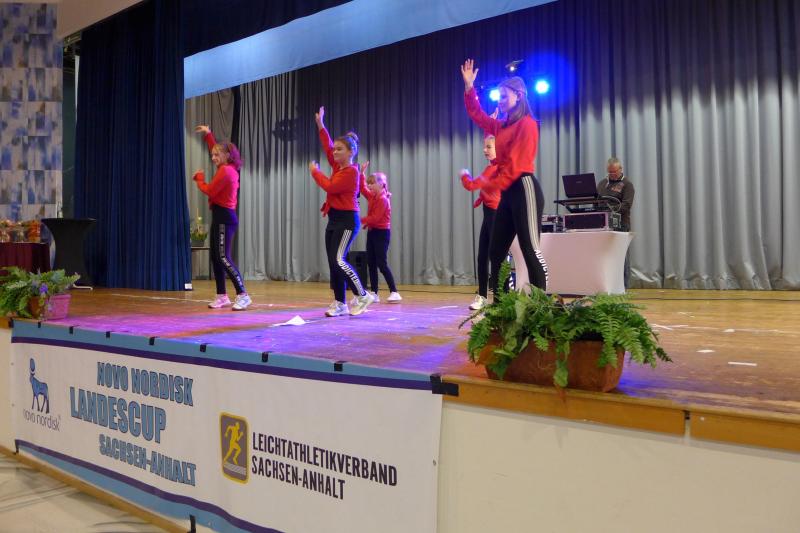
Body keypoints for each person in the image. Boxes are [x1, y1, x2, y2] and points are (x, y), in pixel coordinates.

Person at [460, 58, 548, 297]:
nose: (499, 100)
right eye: (498, 96)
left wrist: (483, 183)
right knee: (496, 252)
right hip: (508, 193)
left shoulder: (528, 125)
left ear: (518, 96)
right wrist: (469, 88)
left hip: (524, 188)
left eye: (503, 96)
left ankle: (541, 305)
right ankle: (501, 305)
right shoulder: (501, 127)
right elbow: (478, 115)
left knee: (530, 250)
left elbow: (515, 168)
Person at [310, 106, 374, 317]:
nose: (335, 152)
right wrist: (321, 125)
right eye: (335, 149)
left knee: (339, 260)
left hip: (347, 221)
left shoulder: (351, 172)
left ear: (351, 152)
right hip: (334, 218)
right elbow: (327, 145)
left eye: (340, 150)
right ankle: (340, 303)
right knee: (333, 263)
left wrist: (315, 172)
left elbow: (330, 187)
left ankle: (362, 295)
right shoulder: (338, 166)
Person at [461, 135, 530, 310]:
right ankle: (483, 296)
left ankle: (503, 297)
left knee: (497, 258)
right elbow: (487, 189)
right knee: (483, 257)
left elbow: (471, 185)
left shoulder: (496, 169)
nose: (485, 150)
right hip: (488, 215)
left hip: (496, 215)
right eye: (485, 146)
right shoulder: (491, 168)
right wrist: (481, 198)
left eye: (489, 147)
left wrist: (464, 175)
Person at [192, 125, 251, 310]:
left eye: (217, 155)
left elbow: (209, 190)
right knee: (216, 257)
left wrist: (199, 179)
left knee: (223, 257)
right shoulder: (226, 167)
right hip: (220, 216)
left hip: (225, 217)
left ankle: (243, 295)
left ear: (227, 155)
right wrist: (209, 134)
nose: (213, 157)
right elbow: (217, 149)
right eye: (212, 155)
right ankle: (222, 296)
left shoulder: (227, 171)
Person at [359, 164, 402, 303]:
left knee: (381, 264)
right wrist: (361, 174)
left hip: (382, 234)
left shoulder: (383, 199)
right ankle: (374, 293)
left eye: (372, 183)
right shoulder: (372, 196)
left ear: (381, 184)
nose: (369, 186)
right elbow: (362, 189)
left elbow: (375, 218)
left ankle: (394, 292)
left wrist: (359, 220)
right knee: (371, 263)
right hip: (372, 232)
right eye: (369, 183)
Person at [597, 157, 635, 288]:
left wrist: (611, 209)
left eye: (614, 171)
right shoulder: (602, 184)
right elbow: (596, 202)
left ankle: (624, 286)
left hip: (621, 224)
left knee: (621, 256)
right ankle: (608, 285)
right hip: (603, 224)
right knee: (604, 256)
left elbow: (626, 205)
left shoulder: (627, 184)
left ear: (620, 169)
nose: (612, 174)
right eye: (610, 172)